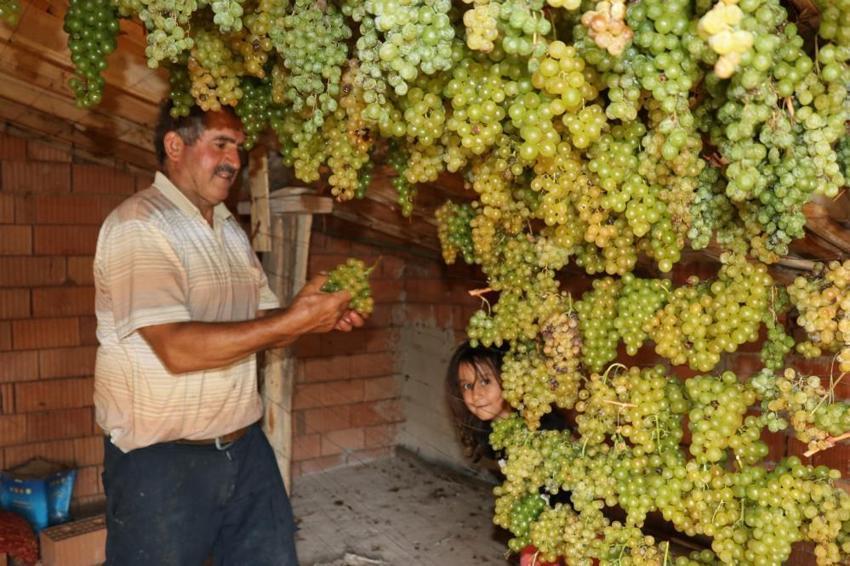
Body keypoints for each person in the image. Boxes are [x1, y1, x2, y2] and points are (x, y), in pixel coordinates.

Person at [93, 101, 365, 566]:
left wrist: (308, 311)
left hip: (244, 449)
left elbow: (262, 327)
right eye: (220, 143)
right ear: (174, 146)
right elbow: (176, 348)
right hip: (161, 464)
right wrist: (292, 320)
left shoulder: (227, 230)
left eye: (238, 148)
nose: (234, 161)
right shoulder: (140, 225)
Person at [445, 342, 567, 566]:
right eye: (466, 386)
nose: (475, 394)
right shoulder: (491, 432)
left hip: (568, 523)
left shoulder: (543, 428)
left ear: (510, 378)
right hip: (536, 523)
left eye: (485, 381)